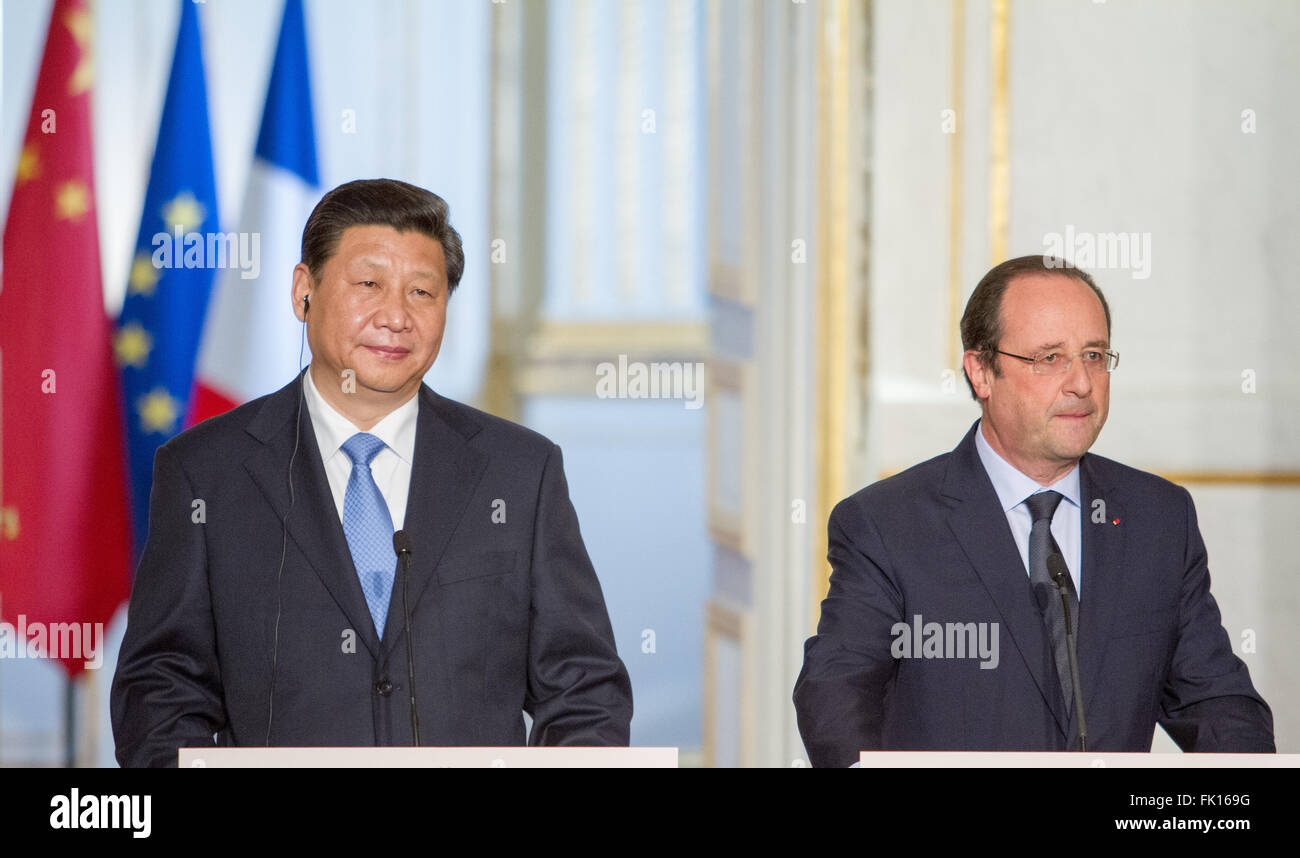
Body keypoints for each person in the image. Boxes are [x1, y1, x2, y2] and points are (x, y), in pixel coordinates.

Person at [112, 179, 632, 766]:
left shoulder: (520, 472)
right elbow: (160, 689)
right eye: (368, 285)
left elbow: (584, 687)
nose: (396, 317)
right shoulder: (205, 473)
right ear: (303, 291)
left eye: (422, 292)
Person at [793, 255, 1273, 766]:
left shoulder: (1158, 518)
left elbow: (1216, 701)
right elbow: (835, 700)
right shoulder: (888, 525)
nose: (1081, 383)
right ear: (981, 371)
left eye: (1093, 355)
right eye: (1049, 358)